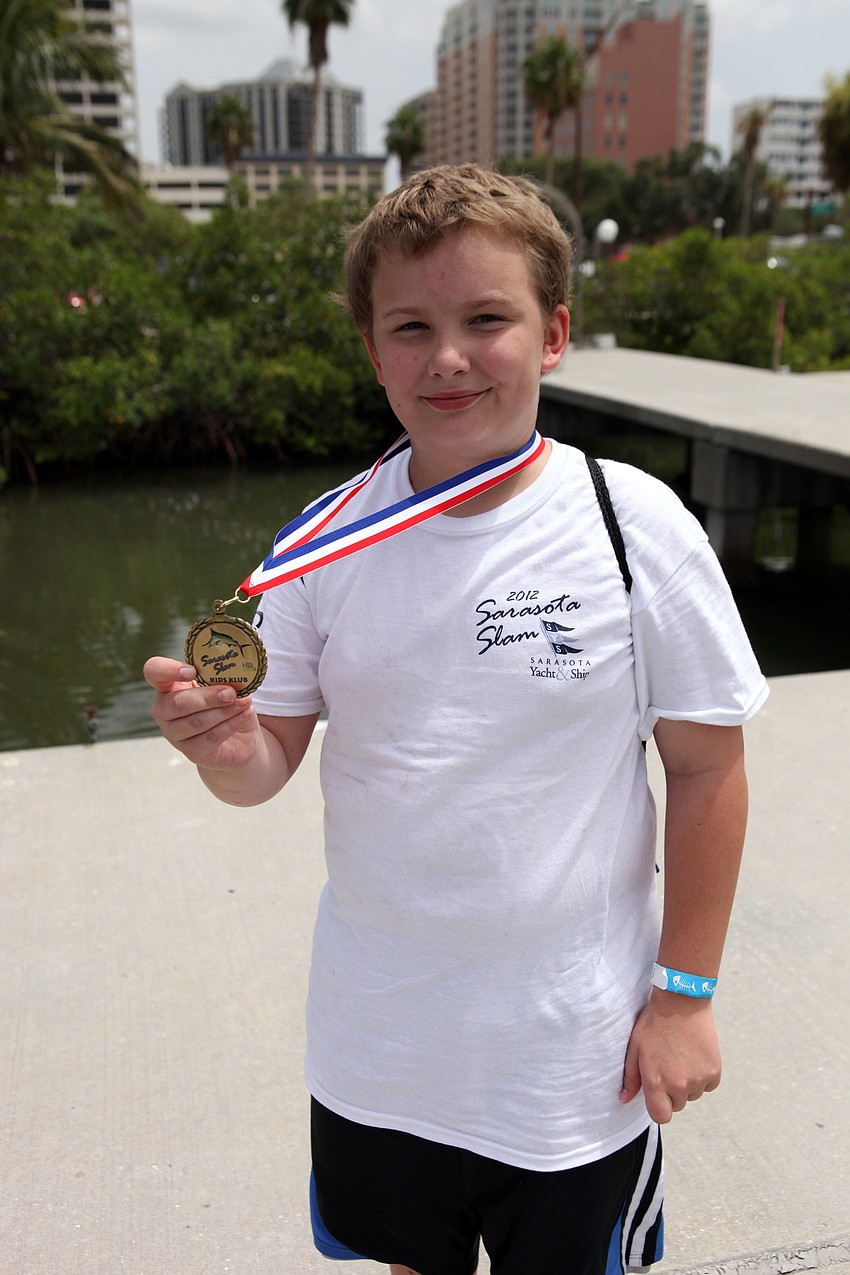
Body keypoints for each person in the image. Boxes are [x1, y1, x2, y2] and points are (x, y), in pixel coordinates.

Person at [144, 164, 768, 1275]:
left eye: (487, 319)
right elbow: (265, 760)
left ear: (554, 331)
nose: (446, 356)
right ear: (372, 348)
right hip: (380, 1047)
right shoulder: (318, 543)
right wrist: (229, 749)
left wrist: (686, 998)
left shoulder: (634, 528)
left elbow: (708, 773)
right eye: (409, 326)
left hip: (572, 1058)